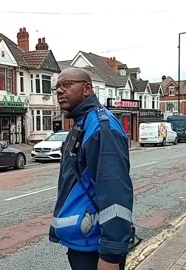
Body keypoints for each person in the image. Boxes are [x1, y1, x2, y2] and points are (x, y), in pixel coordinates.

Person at [49, 67, 134, 270]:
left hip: (95, 249)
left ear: (87, 89)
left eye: (67, 85)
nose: (60, 91)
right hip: (82, 243)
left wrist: (110, 256)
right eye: (57, 86)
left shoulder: (101, 128)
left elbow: (115, 193)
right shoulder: (83, 122)